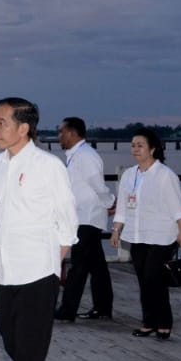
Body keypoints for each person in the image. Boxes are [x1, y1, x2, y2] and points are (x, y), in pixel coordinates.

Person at [0, 97, 81, 361]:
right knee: (12, 344)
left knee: (27, 355)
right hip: (6, 270)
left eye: (1, 122)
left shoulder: (48, 166)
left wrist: (54, 267)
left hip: (39, 273)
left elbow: (67, 218)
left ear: (23, 127)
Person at [110, 127, 181, 340]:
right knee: (144, 281)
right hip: (137, 235)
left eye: (140, 145)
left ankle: (163, 322)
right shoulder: (129, 174)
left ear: (152, 149)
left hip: (162, 235)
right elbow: (123, 207)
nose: (135, 149)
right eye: (133, 145)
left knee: (154, 279)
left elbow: (177, 206)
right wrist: (116, 229)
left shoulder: (165, 175)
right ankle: (149, 321)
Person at [54, 117, 115, 321]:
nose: (59, 136)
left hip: (87, 217)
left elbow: (97, 185)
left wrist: (109, 202)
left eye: (61, 131)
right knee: (96, 266)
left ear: (72, 133)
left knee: (78, 265)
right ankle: (103, 306)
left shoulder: (86, 156)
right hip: (81, 216)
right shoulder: (75, 155)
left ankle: (67, 310)